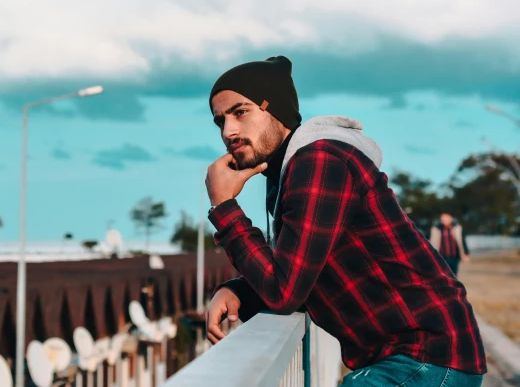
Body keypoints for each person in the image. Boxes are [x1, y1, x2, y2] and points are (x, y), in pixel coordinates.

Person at [203, 56, 485, 386]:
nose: (228, 131)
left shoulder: (319, 161)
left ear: (275, 109)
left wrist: (223, 206)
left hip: (426, 355)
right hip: (415, 357)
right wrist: (239, 291)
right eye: (220, 121)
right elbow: (301, 277)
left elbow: (285, 292)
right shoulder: (292, 174)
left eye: (240, 112)